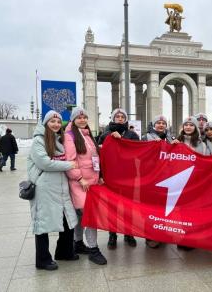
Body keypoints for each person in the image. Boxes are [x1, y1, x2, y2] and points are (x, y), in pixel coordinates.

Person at [27, 110, 79, 271]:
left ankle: (64, 251)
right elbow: (44, 163)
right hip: (45, 188)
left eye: (58, 122)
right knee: (43, 223)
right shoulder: (38, 140)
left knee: (68, 220)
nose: (56, 124)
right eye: (52, 121)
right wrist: (69, 165)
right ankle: (42, 259)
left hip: (61, 187)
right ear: (45, 123)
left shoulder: (59, 139)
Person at [63, 107, 107, 265]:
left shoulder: (87, 135)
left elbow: (94, 158)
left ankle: (78, 243)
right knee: (91, 216)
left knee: (82, 216)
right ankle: (94, 249)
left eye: (84, 117)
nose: (82, 120)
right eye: (79, 118)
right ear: (73, 120)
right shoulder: (70, 136)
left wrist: (99, 176)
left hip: (91, 183)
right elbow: (70, 161)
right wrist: (79, 178)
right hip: (80, 183)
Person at [98, 108, 140, 250]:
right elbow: (101, 157)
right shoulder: (105, 135)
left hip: (128, 176)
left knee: (129, 207)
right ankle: (112, 235)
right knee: (113, 207)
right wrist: (101, 176)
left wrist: (121, 141)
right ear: (113, 118)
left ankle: (129, 234)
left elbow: (136, 153)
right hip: (111, 176)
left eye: (123, 116)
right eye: (118, 116)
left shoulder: (132, 135)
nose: (120, 118)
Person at [172, 116, 208, 251]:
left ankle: (192, 238)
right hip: (180, 182)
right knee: (181, 212)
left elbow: (205, 163)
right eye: (186, 125)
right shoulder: (176, 142)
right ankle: (184, 237)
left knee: (193, 212)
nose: (188, 127)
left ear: (195, 128)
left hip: (195, 183)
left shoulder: (202, 145)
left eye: (191, 125)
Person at [142, 115, 173, 249]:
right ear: (154, 125)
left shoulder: (170, 139)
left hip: (167, 178)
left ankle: (162, 233)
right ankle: (150, 236)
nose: (161, 125)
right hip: (150, 178)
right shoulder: (145, 137)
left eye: (163, 123)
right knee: (150, 209)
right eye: (158, 123)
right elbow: (140, 156)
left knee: (164, 209)